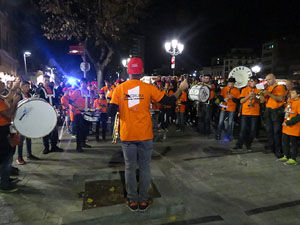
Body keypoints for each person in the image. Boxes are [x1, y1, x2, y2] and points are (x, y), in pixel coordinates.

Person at [108, 57, 188, 212]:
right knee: (145, 168)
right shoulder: (148, 88)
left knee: (130, 168)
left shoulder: (119, 89)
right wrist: (181, 88)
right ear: (141, 71)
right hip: (145, 134)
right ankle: (143, 201)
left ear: (128, 71)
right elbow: (169, 101)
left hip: (128, 135)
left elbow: (111, 112)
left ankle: (132, 201)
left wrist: (115, 102)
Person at [0, 81, 20, 192]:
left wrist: (13, 89)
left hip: (4, 129)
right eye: (0, 83)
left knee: (8, 155)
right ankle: (4, 184)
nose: (2, 84)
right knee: (5, 158)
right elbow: (9, 114)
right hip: (1, 131)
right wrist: (15, 102)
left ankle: (5, 179)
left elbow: (7, 97)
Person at [232, 76, 261, 151]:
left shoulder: (259, 90)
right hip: (245, 112)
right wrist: (248, 96)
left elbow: (262, 101)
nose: (253, 83)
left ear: (257, 83)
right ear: (248, 82)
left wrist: (255, 97)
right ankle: (239, 144)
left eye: (255, 81)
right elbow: (241, 101)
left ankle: (248, 144)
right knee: (243, 129)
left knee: (252, 130)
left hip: (255, 113)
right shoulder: (244, 90)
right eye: (251, 81)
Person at [261, 74, 286, 158]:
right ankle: (271, 147)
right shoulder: (267, 88)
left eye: (269, 79)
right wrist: (261, 93)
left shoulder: (280, 88)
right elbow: (262, 101)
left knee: (276, 131)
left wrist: (268, 93)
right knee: (269, 131)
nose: (267, 81)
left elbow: (279, 99)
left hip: (276, 111)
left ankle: (278, 150)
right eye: (266, 80)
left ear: (274, 79)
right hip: (268, 110)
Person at [36, 75, 63, 154]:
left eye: (48, 80)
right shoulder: (40, 90)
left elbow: (57, 100)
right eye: (45, 81)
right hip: (44, 113)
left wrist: (59, 108)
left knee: (54, 130)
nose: (47, 82)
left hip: (54, 112)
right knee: (45, 130)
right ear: (43, 81)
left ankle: (54, 146)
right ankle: (46, 147)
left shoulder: (54, 90)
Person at [16, 81, 40, 165]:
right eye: (26, 86)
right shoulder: (18, 95)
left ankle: (29, 154)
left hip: (28, 119)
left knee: (29, 137)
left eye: (28, 86)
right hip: (21, 119)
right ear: (21, 87)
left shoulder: (29, 95)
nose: (28, 88)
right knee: (20, 139)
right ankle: (19, 157)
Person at [278, 87, 300, 165]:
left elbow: (299, 116)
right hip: (286, 126)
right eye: (291, 92)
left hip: (294, 127)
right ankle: (286, 155)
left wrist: (289, 122)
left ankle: (293, 158)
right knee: (285, 142)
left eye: (293, 93)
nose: (291, 94)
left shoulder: (299, 102)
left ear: (298, 95)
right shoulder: (289, 101)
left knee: (294, 143)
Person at [69, 78, 91, 152]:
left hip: (87, 113)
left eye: (84, 83)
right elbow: (70, 101)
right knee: (79, 131)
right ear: (80, 83)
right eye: (82, 83)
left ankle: (83, 143)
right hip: (78, 114)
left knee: (85, 129)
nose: (83, 84)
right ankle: (78, 146)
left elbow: (89, 102)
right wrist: (78, 107)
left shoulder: (88, 92)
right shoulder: (77, 91)